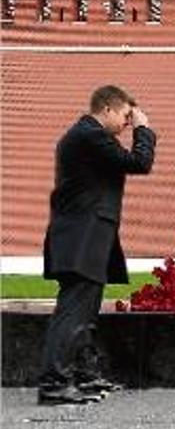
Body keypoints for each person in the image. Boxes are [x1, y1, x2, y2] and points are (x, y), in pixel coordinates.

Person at [38, 85, 157, 405]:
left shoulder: (87, 136)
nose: (127, 124)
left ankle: (82, 375)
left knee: (85, 313)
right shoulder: (89, 135)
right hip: (81, 237)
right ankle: (54, 384)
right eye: (125, 116)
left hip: (87, 236)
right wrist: (144, 128)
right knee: (73, 313)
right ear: (107, 109)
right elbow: (139, 162)